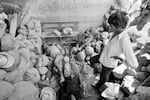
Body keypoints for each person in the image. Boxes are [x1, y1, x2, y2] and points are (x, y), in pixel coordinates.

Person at [92, 11, 139, 95]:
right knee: (100, 70)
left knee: (104, 77)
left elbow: (134, 64)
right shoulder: (116, 33)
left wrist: (122, 59)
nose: (110, 27)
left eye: (112, 26)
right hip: (105, 58)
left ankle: (100, 89)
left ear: (120, 27)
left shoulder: (124, 40)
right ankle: (101, 85)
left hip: (108, 63)